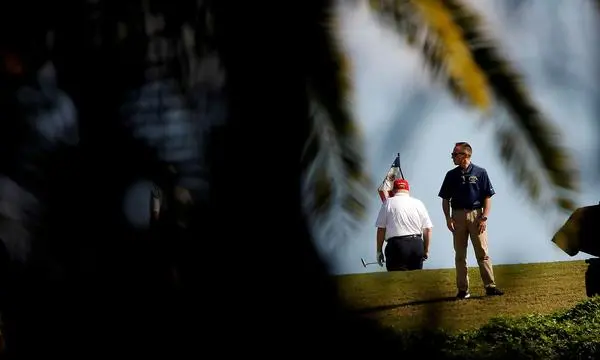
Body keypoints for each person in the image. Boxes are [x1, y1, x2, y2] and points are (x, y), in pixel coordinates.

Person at [438, 141, 504, 299]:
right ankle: (463, 290)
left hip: (476, 215)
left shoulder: (481, 172)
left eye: (455, 154)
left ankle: (490, 286)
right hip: (458, 216)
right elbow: (445, 199)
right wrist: (448, 218)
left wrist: (484, 217)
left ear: (465, 155)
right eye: (453, 154)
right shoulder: (451, 175)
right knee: (460, 255)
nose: (452, 157)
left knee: (482, 252)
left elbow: (487, 197)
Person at [375, 179, 433, 271]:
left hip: (397, 246)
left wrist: (379, 251)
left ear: (393, 190)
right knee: (415, 280)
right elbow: (428, 229)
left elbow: (381, 229)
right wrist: (426, 250)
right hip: (416, 245)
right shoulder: (418, 203)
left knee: (397, 281)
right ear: (408, 190)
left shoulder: (388, 203)